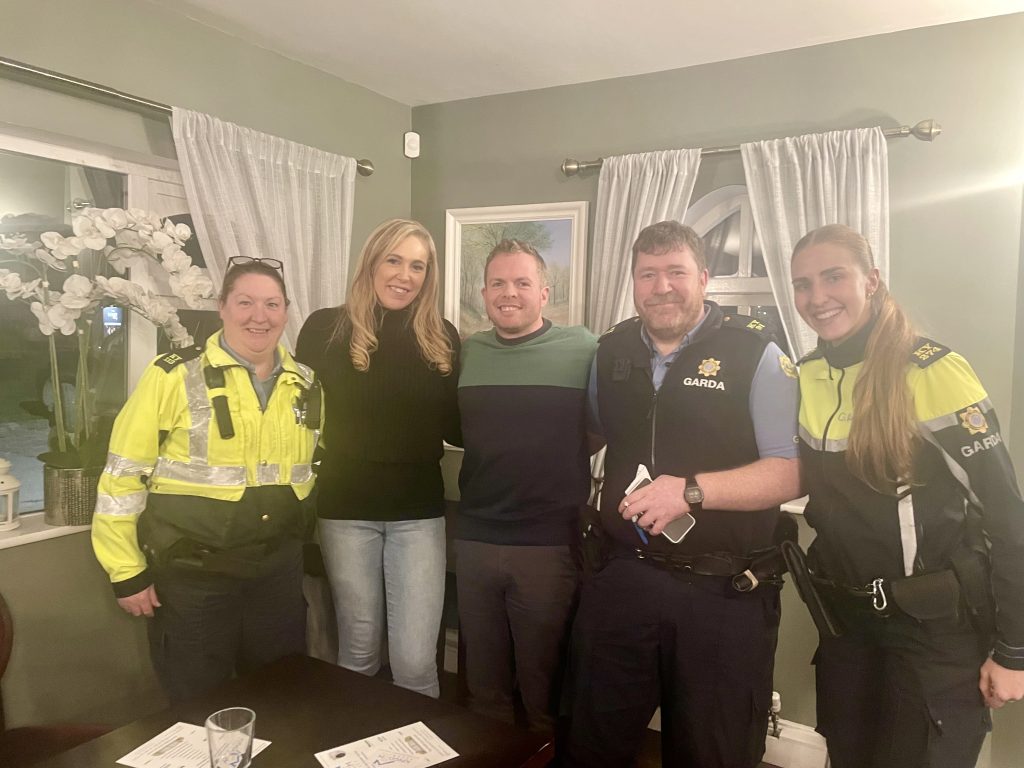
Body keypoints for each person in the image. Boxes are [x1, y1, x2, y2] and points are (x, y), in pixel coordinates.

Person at [564, 220, 802, 768]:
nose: (661, 287)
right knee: (590, 744)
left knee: (712, 752)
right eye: (648, 274)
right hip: (622, 578)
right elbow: (595, 434)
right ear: (632, 282)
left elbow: (791, 472)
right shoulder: (610, 352)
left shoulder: (756, 355)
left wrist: (691, 492)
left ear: (703, 277)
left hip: (722, 592)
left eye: (676, 273)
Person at [788, 223, 1024, 768]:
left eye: (833, 277)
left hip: (932, 634)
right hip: (848, 629)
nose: (817, 297)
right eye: (802, 284)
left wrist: (1013, 649)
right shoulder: (806, 374)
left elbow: (1008, 517)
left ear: (871, 281)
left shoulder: (935, 370)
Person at [92, 257, 321, 702]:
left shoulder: (306, 384)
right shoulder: (173, 374)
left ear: (286, 311)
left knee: (282, 698)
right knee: (200, 708)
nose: (260, 316)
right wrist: (126, 571)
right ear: (222, 306)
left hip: (276, 576)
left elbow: (310, 472)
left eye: (272, 304)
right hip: (195, 579)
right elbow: (123, 475)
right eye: (246, 302)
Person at [295, 218, 460, 699]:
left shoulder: (442, 335)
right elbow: (298, 416)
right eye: (394, 260)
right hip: (346, 512)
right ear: (371, 262)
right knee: (359, 653)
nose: (404, 275)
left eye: (417, 266)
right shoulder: (325, 328)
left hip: (418, 515)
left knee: (414, 662)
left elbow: (458, 426)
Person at [456, 239, 598, 731]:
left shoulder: (583, 348)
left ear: (544, 292)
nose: (508, 293)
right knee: (483, 686)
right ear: (483, 293)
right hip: (474, 538)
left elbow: (598, 429)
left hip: (547, 544)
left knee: (545, 688)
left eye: (521, 283)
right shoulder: (468, 352)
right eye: (498, 283)